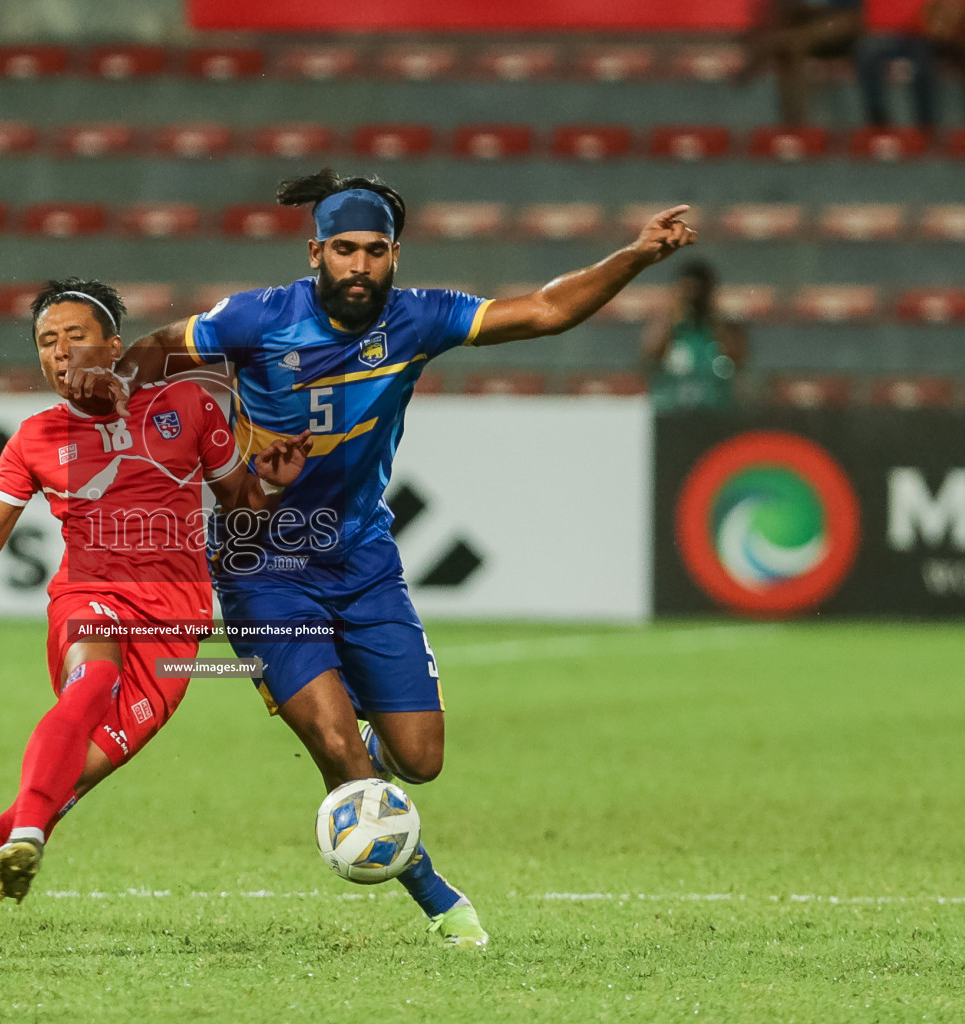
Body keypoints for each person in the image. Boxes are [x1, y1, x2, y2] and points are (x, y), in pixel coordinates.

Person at [74, 169, 696, 948]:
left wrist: (633, 256)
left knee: (420, 758)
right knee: (334, 745)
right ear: (316, 252)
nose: (359, 266)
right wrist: (116, 385)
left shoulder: (417, 319)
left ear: (395, 256)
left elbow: (544, 310)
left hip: (363, 558)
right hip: (262, 564)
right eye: (344, 250)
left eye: (374, 251)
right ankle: (438, 897)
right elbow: (163, 346)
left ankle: (365, 767)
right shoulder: (257, 318)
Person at [0, 279, 311, 948]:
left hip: (173, 633)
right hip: (90, 600)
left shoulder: (189, 406)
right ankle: (28, 833)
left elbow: (242, 506)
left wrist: (274, 484)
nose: (60, 352)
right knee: (91, 680)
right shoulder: (35, 438)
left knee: (59, 789)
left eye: (75, 336)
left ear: (115, 345)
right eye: (47, 343)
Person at [642, 261, 747, 413]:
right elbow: (651, 356)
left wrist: (713, 315)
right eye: (688, 289)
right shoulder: (667, 324)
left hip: (716, 408)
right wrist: (675, 314)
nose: (693, 296)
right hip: (671, 409)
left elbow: (737, 359)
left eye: (699, 291)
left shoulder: (725, 326)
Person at [738, 0, 865, 125]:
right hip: (806, 25)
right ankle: (794, 127)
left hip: (843, 21)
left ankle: (753, 63)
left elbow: (849, 9)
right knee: (788, 51)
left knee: (793, 42)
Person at [855, 0, 965, 131]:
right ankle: (877, 120)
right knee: (867, 52)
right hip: (882, 35)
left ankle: (926, 124)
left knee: (924, 64)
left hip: (920, 36)